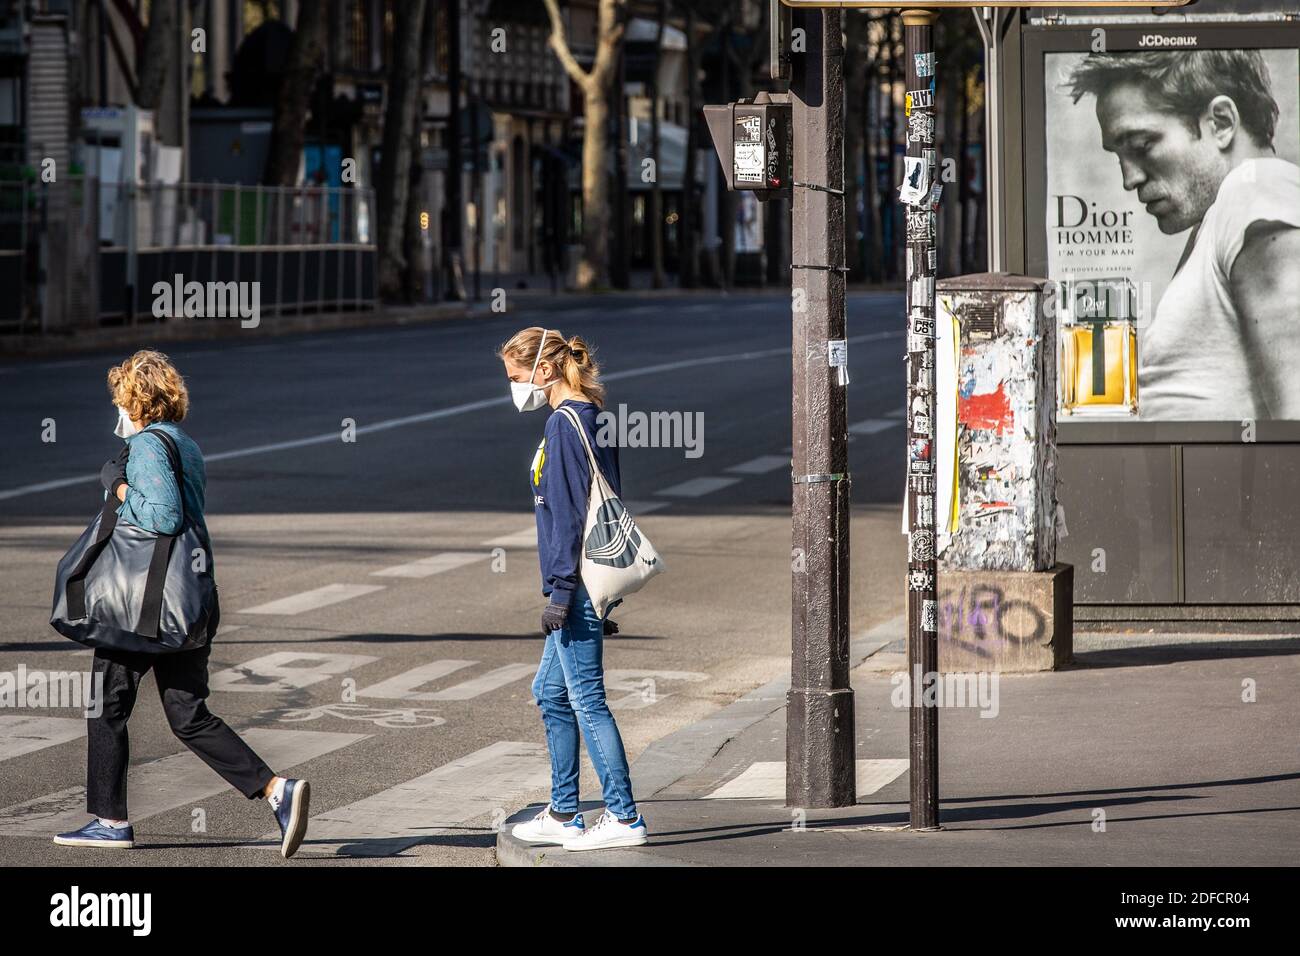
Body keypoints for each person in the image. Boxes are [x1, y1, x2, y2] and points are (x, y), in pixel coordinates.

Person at [53, 350, 311, 858]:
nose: (117, 410)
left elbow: (163, 516)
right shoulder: (184, 444)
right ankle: (276, 791)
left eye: (120, 399)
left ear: (135, 398)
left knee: (105, 708)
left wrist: (118, 485)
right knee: (189, 714)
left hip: (143, 609)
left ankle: (109, 821)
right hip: (188, 600)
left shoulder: (149, 445)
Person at [1067, 49, 1300, 420]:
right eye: (1118, 156)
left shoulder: (1257, 190)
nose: (1130, 179)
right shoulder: (1227, 214)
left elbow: (1296, 418)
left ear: (1221, 122)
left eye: (1143, 146)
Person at [498, 327, 647, 851]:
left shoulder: (565, 425)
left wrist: (562, 593)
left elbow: (567, 516)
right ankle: (564, 812)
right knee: (549, 692)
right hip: (589, 580)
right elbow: (610, 505)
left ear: (544, 370)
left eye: (516, 377)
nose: (515, 388)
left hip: (574, 582)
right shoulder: (591, 415)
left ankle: (624, 817)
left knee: (586, 698)